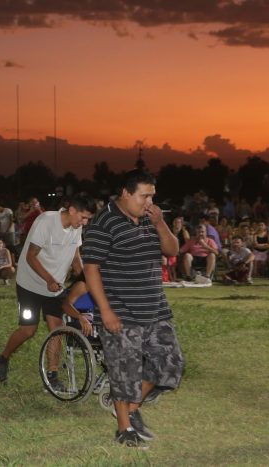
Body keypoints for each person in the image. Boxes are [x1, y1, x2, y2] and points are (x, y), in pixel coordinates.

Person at [82, 169, 184, 448]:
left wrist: (161, 224)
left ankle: (132, 408)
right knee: (123, 371)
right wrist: (106, 311)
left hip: (156, 309)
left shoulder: (151, 219)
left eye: (152, 195)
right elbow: (90, 268)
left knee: (169, 364)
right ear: (125, 193)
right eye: (144, 195)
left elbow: (172, 250)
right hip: (121, 311)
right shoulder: (104, 222)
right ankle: (124, 428)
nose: (149, 201)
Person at [0, 194, 96, 389]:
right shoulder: (46, 221)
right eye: (83, 217)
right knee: (28, 330)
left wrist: (85, 279)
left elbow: (75, 257)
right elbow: (31, 256)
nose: (85, 222)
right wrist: (49, 279)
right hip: (29, 285)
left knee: (56, 329)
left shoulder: (76, 227)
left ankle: (53, 375)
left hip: (55, 290)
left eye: (87, 219)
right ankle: (3, 358)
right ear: (72, 209)